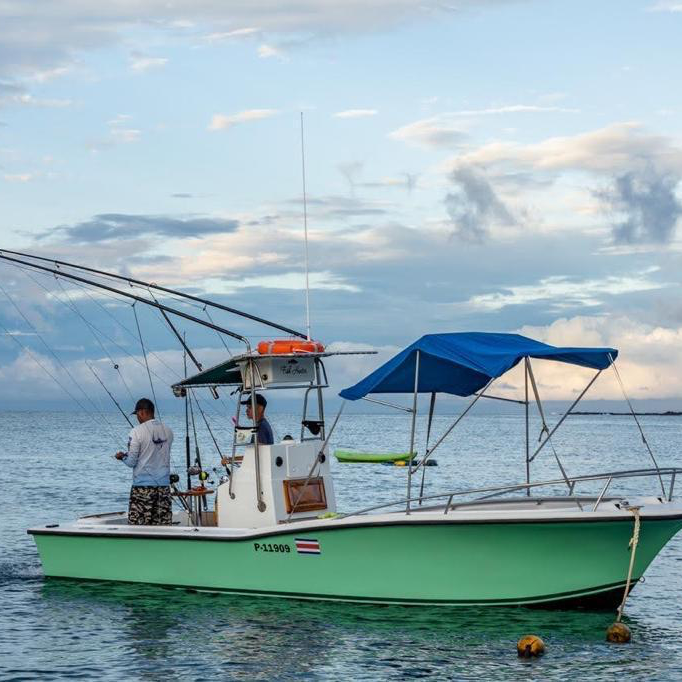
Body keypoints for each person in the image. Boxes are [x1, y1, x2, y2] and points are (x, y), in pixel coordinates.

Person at [115, 398, 174, 525]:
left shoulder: (136, 431)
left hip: (142, 489)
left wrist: (122, 457)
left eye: (137, 414)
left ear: (142, 412)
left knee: (138, 528)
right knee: (163, 528)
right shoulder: (168, 431)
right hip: (163, 489)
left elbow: (131, 462)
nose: (137, 418)